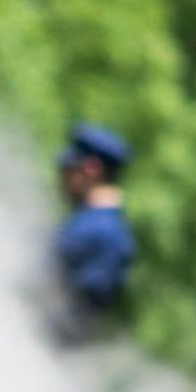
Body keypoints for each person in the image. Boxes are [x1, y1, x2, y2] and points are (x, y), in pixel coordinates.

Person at [51, 123, 135, 343]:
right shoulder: (89, 220)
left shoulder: (108, 235)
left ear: (92, 169)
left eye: (69, 170)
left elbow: (79, 316)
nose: (63, 179)